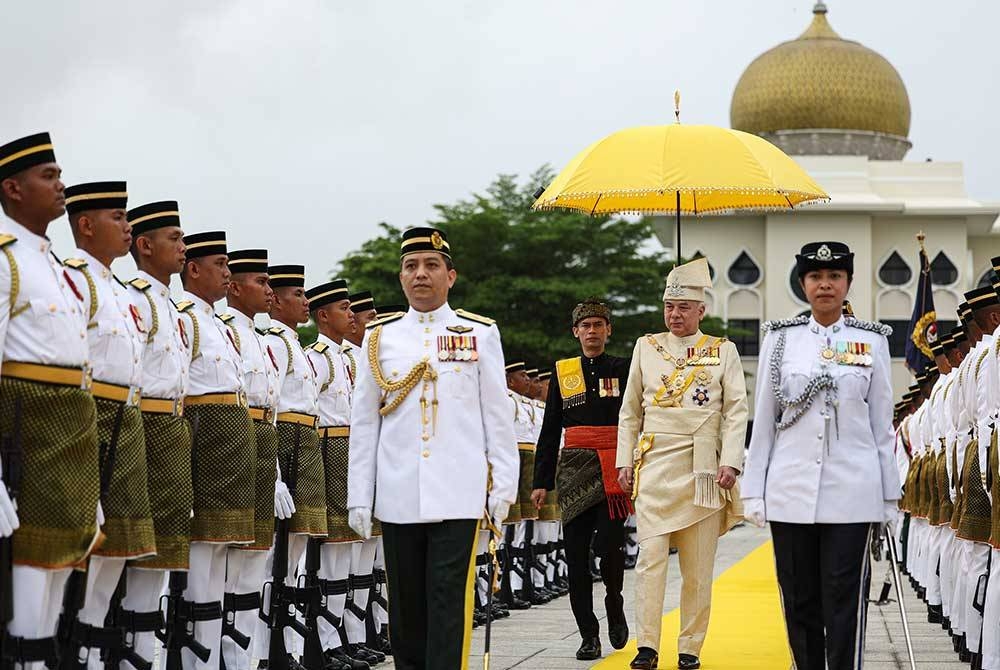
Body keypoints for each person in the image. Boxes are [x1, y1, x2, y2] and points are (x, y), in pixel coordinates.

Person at [347, 226, 518, 669]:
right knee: (405, 608)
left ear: (451, 276)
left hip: (457, 491)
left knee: (447, 602)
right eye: (411, 266)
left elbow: (497, 416)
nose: (420, 274)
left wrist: (503, 487)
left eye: (431, 265)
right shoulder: (379, 338)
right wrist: (359, 496)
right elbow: (364, 422)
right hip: (399, 491)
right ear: (401, 277)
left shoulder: (479, 334)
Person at [742, 241, 899, 670]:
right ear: (803, 284)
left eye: (834, 277)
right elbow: (763, 424)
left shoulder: (871, 342)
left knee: (844, 596)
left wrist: (890, 496)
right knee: (799, 597)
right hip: (790, 490)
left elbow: (882, 426)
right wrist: (753, 492)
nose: (825, 285)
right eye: (816, 277)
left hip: (853, 489)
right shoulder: (780, 340)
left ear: (848, 283)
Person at [616, 257, 748, 670]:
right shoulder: (646, 346)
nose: (674, 314)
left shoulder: (722, 350)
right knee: (649, 559)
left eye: (683, 307)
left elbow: (737, 410)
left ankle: (690, 647)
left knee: (697, 567)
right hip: (655, 463)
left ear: (700, 310)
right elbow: (630, 410)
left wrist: (732, 461)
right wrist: (624, 461)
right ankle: (647, 646)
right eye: (669, 307)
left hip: (704, 465)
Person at [0, 132, 100, 668]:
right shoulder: (5, 259)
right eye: (49, 177)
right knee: (28, 577)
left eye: (59, 175)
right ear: (13, 189)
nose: (61, 185)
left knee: (61, 567)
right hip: (25, 438)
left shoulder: (57, 268)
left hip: (69, 437)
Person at [59, 182, 156, 668]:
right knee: (85, 546)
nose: (128, 226)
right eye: (117, 217)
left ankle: (94, 646)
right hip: (92, 412)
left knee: (118, 542)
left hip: (128, 415)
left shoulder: (119, 290)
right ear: (86, 225)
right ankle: (75, 648)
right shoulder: (74, 277)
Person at [531, 297, 631, 661]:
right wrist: (541, 480)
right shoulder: (564, 372)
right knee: (575, 557)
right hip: (573, 471)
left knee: (612, 551)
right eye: (585, 326)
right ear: (575, 332)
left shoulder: (623, 367)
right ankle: (588, 634)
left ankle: (615, 605)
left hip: (612, 469)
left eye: (598, 325)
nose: (592, 331)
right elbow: (549, 427)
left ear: (608, 330)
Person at [177, 230, 257, 670]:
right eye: (219, 266)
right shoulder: (185, 318)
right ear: (193, 269)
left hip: (231, 446)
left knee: (223, 553)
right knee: (200, 560)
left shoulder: (221, 328)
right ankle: (194, 661)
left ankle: (221, 659)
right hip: (204, 442)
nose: (227, 275)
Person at [121, 200, 192, 668]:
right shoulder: (135, 297)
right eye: (175, 239)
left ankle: (145, 654)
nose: (183, 249)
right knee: (135, 550)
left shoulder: (173, 307)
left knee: (162, 553)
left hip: (173, 426)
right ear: (145, 246)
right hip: (142, 425)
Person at [220, 249, 293, 670]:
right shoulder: (227, 330)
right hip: (235, 442)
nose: (269, 290)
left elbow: (273, 412)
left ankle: (249, 658)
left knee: (254, 561)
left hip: (264, 445)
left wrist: (278, 474)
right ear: (234, 287)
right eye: (261, 283)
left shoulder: (262, 341)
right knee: (228, 562)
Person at [304, 278, 382, 669]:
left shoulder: (353, 360)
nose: (350, 317)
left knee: (356, 557)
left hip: (353, 449)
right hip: (330, 449)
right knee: (334, 556)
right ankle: (327, 642)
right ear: (324, 316)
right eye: (344, 310)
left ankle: (351, 637)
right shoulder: (317, 356)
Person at [255, 264, 327, 667]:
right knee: (274, 557)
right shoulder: (277, 344)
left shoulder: (296, 345)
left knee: (296, 549)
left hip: (306, 440)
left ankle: (290, 647)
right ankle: (270, 648)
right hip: (286, 442)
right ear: (278, 301)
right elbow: (273, 405)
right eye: (297, 295)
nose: (305, 302)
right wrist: (276, 473)